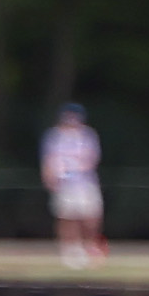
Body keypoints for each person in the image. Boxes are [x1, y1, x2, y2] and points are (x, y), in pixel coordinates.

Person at [41, 102, 104, 266]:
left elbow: (92, 157)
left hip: (84, 182)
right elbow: (48, 158)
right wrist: (50, 177)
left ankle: (90, 245)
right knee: (66, 217)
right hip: (64, 183)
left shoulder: (87, 135)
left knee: (91, 216)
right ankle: (70, 249)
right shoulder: (54, 136)